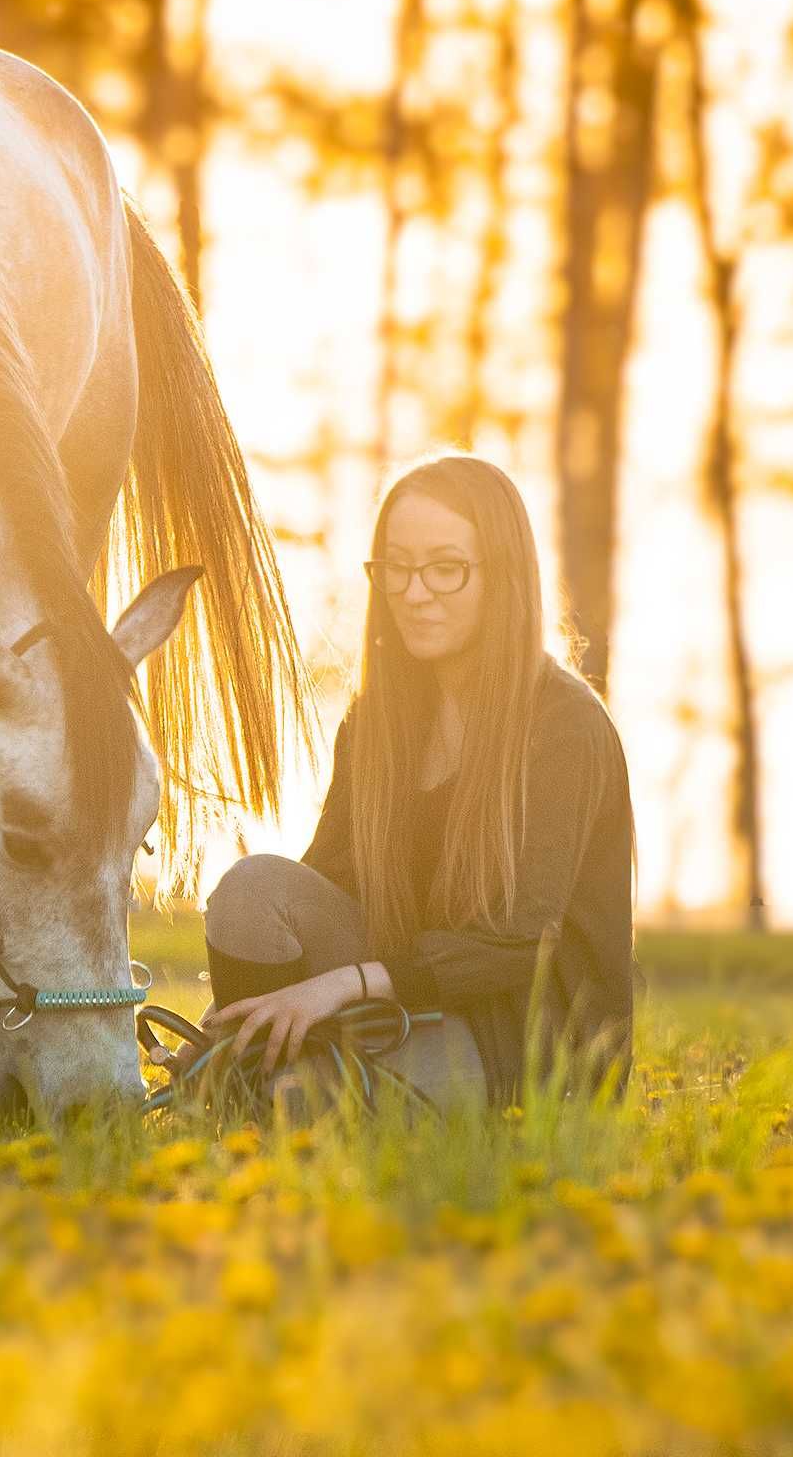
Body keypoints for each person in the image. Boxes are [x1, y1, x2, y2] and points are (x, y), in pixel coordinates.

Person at [196, 451, 638, 1108]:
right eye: (396, 566)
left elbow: (524, 943)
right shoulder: (376, 722)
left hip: (526, 1041)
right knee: (251, 886)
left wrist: (342, 985)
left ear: (504, 576)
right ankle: (246, 1058)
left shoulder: (566, 725)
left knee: (299, 1104)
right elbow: (332, 880)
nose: (414, 589)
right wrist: (256, 1009)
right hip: (402, 1009)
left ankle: (271, 1084)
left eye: (445, 568)